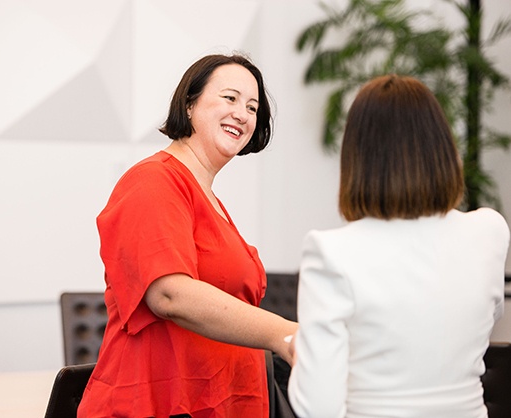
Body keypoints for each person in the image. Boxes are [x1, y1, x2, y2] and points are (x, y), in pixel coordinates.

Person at [77, 53, 298, 418]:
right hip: (161, 404)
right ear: (190, 104)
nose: (242, 114)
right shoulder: (153, 180)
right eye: (230, 98)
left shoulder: (209, 198)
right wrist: (284, 334)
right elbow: (168, 293)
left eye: (252, 107)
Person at [287, 74, 510, 418]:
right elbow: (485, 315)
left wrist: (300, 347)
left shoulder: (331, 252)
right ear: (442, 148)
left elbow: (318, 407)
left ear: (357, 158)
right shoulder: (490, 231)